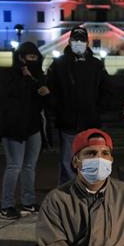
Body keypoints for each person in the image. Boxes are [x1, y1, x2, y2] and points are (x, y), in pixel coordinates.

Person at [47, 26, 112, 185]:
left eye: (82, 40)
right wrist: (59, 109)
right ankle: (68, 192)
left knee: (90, 158)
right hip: (67, 121)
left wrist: (97, 109)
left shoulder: (96, 65)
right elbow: (51, 89)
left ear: (87, 42)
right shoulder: (59, 64)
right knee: (67, 160)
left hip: (90, 122)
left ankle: (87, 189)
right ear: (69, 41)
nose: (78, 43)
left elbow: (107, 89)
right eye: (75, 40)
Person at [0, 42, 50, 219]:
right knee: (14, 166)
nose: (33, 61)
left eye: (36, 58)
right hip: (13, 128)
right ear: (20, 58)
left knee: (29, 167)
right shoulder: (8, 75)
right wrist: (27, 79)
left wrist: (43, 90)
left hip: (33, 127)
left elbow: (43, 99)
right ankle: (7, 204)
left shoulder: (39, 76)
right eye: (30, 57)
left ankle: (28, 201)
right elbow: (9, 97)